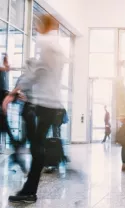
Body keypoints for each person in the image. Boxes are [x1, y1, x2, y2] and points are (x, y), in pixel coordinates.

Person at [3, 14, 67, 203]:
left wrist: (14, 91)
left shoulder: (45, 43)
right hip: (51, 103)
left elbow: (39, 72)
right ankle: (28, 187)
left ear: (43, 25)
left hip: (43, 103)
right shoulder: (57, 47)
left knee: (37, 147)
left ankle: (29, 190)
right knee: (37, 145)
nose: (35, 27)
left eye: (37, 24)